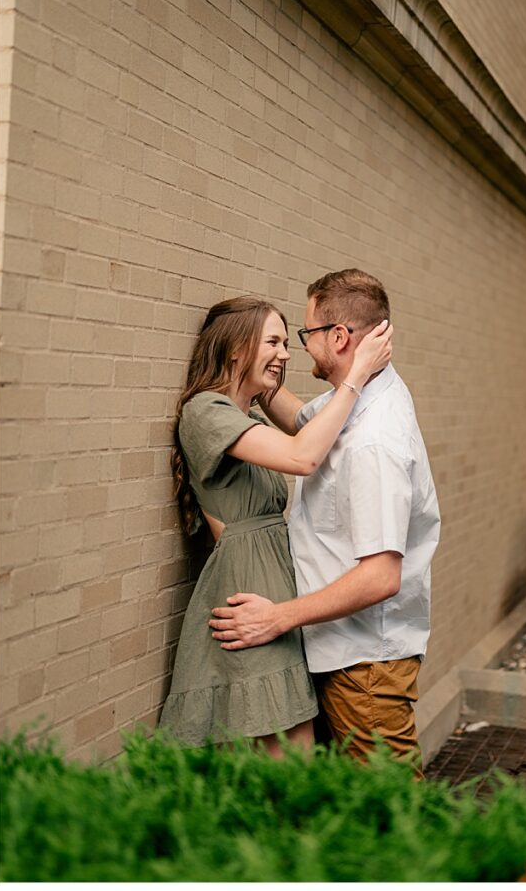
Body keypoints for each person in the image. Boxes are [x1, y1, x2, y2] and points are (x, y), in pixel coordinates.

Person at [208, 270, 440, 774]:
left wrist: (278, 617)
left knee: (393, 809)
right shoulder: (359, 403)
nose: (299, 348)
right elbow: (303, 428)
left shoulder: (375, 441)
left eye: (307, 334)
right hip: (340, 652)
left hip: (364, 666)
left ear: (339, 338)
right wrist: (254, 373)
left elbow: (382, 575)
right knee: (348, 809)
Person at [159, 296, 392, 754]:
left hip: (275, 588)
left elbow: (319, 429)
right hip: (248, 587)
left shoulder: (246, 414)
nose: (286, 353)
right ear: (236, 349)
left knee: (281, 749)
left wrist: (265, 384)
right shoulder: (206, 412)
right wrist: (358, 376)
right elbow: (303, 455)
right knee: (291, 751)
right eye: (274, 342)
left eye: (287, 342)